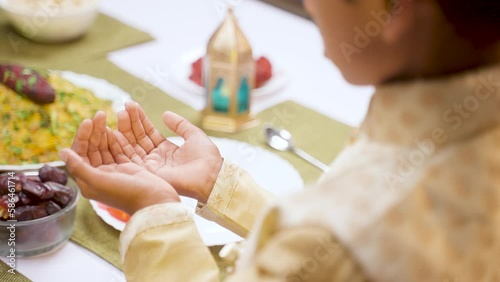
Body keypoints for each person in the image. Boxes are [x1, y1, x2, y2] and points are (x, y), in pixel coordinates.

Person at [59, 0, 499, 281]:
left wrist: (155, 213)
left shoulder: (354, 225)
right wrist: (221, 185)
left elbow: (331, 244)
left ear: (396, 13)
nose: (308, 6)